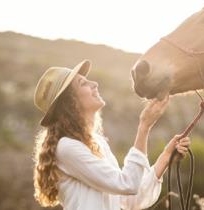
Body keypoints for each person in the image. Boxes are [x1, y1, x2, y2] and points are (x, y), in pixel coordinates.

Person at [32, 60, 190, 210]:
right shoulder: (66, 148)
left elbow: (131, 198)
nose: (94, 84)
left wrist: (166, 156)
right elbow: (127, 184)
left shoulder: (97, 143)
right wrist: (144, 126)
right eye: (83, 83)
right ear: (69, 102)